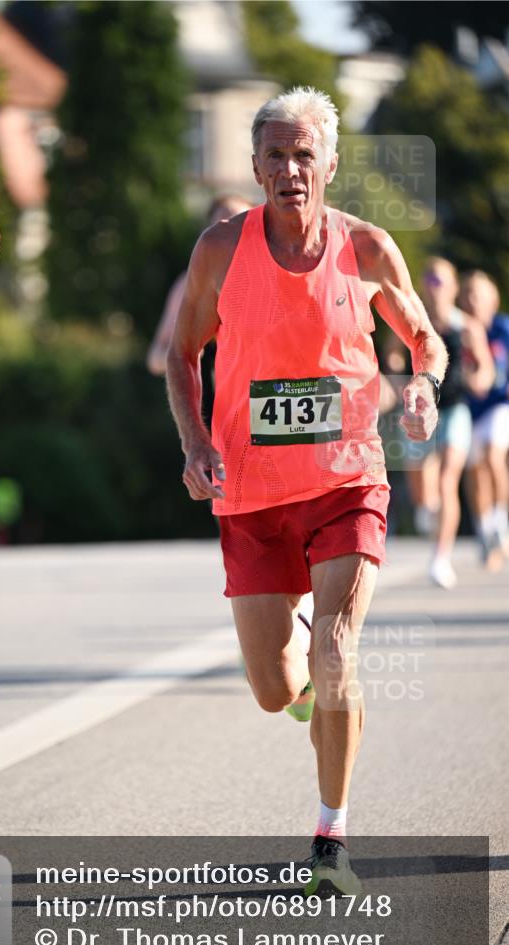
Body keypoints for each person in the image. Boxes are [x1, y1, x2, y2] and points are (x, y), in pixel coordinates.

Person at [166, 87, 447, 893]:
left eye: (304, 155)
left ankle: (330, 839)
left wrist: (422, 384)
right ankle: (303, 688)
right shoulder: (221, 248)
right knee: (272, 690)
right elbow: (183, 357)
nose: (290, 169)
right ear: (253, 167)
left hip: (345, 482)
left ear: (329, 162)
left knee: (333, 654)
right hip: (251, 492)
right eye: (274, 156)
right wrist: (193, 442)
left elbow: (422, 338)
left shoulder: (365, 247)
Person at [415, 259, 494, 588]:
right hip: (421, 410)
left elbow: (486, 370)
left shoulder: (467, 328)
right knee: (424, 490)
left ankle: (440, 557)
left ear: (453, 287)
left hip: (456, 409)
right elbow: (391, 354)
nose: (435, 287)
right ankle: (428, 512)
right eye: (430, 279)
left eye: (441, 280)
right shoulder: (414, 322)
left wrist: (478, 380)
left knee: (448, 481)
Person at [147, 194, 252, 427]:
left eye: (238, 223)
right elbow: (155, 357)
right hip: (206, 417)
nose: (230, 232)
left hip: (257, 412)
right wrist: (183, 356)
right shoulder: (188, 285)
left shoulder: (269, 282)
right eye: (221, 224)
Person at [461, 271, 509, 569]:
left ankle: (500, 519)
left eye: (478, 294)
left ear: (493, 298)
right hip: (470, 411)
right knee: (475, 473)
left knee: (494, 454)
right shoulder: (458, 330)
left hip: (500, 406)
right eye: (467, 294)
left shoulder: (503, 328)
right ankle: (486, 533)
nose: (472, 300)